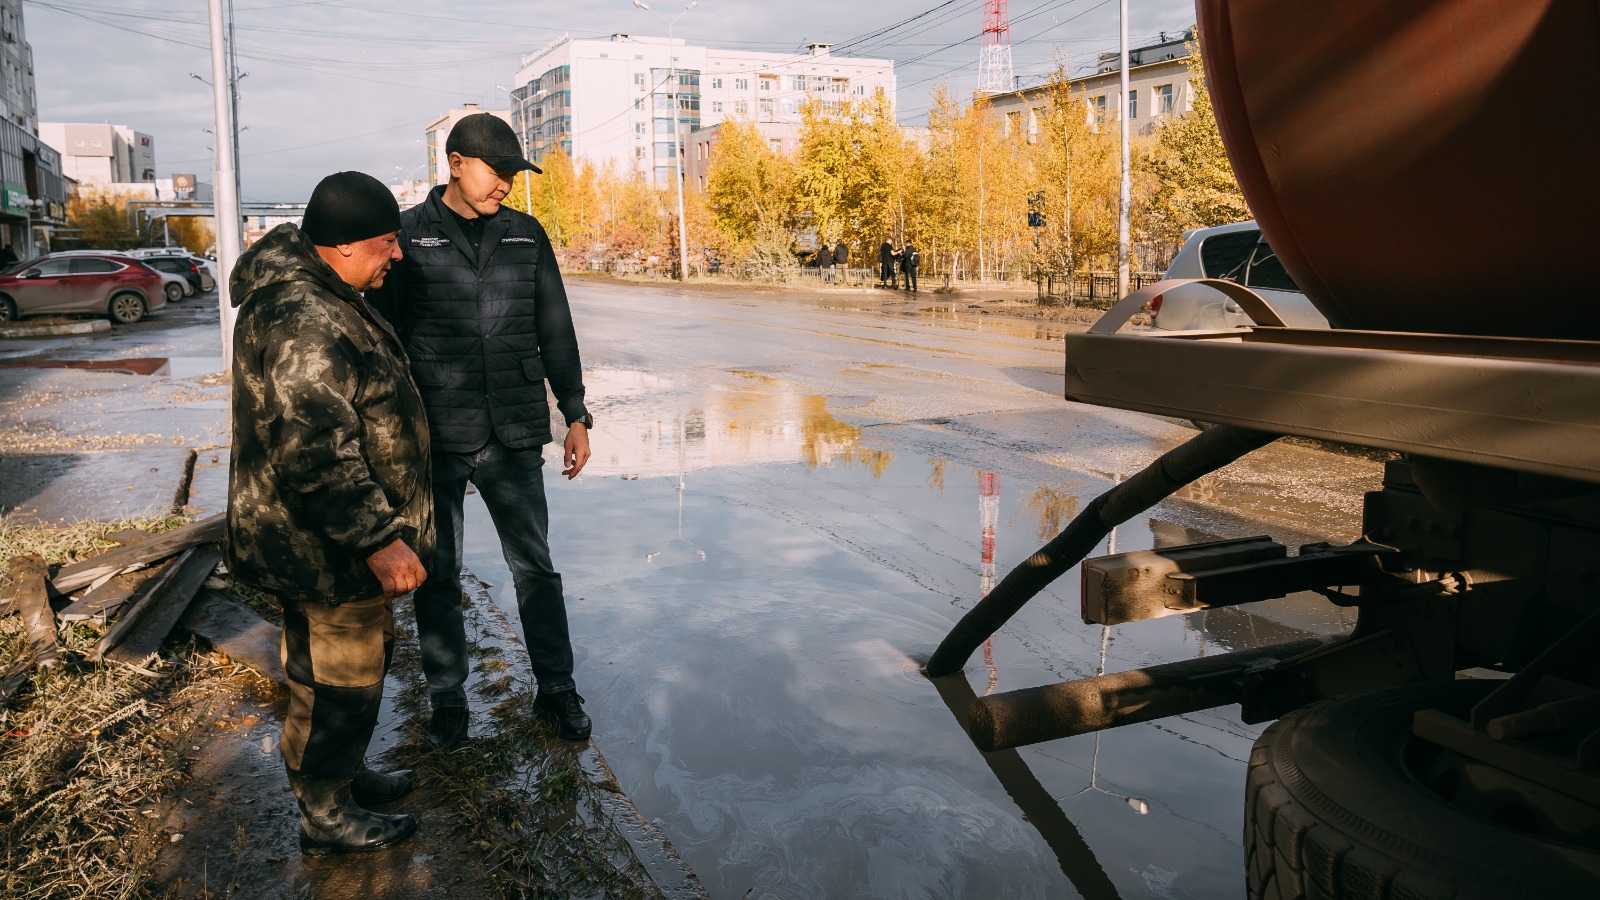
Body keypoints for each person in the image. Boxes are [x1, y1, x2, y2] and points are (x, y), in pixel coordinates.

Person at [367, 113, 594, 749]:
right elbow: (381, 338)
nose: (506, 188)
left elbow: (555, 325)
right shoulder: (409, 237)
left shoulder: (526, 235)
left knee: (536, 569)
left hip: (516, 428)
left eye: (513, 176)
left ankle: (556, 691)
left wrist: (574, 412)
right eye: (498, 174)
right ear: (456, 163)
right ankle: (449, 703)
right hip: (436, 434)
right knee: (438, 573)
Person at [227, 171, 433, 855]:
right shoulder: (305, 318)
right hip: (326, 545)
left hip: (334, 540)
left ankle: (342, 778)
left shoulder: (329, 292)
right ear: (342, 247)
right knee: (335, 680)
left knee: (355, 669)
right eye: (386, 243)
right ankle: (323, 809)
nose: (396, 255)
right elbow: (313, 446)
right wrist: (380, 539)